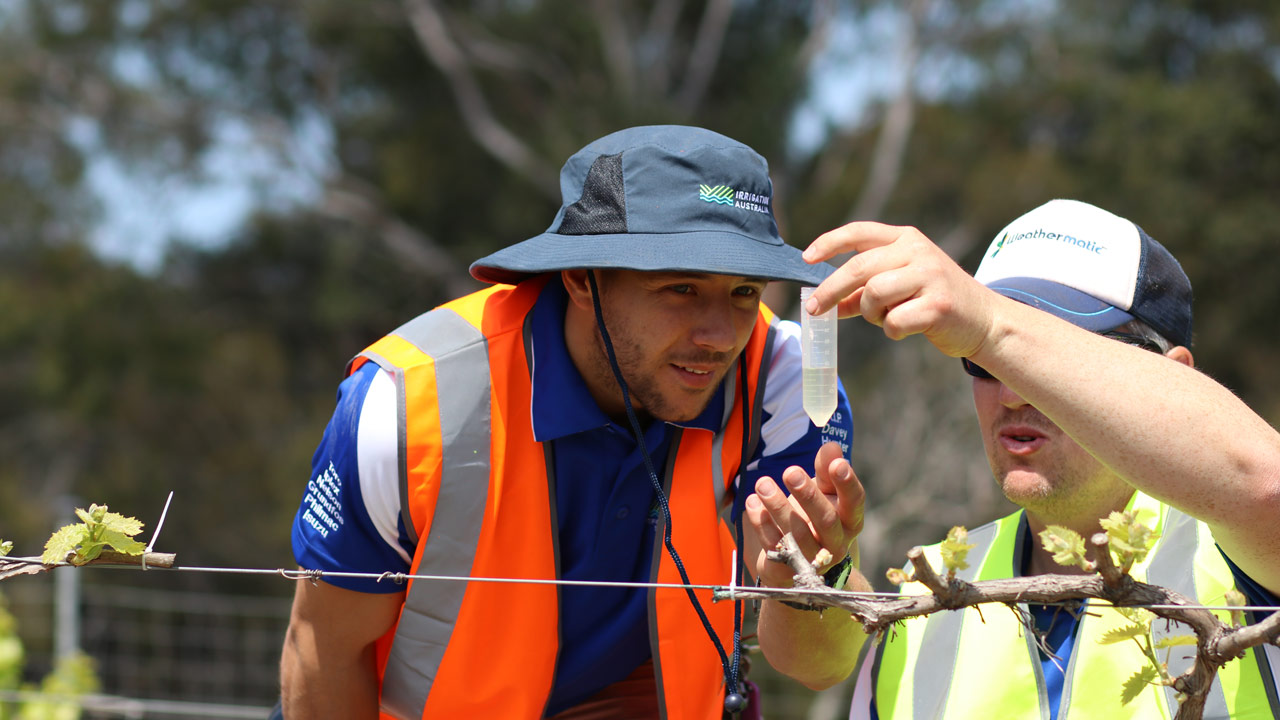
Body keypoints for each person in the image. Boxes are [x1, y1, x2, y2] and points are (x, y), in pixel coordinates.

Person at [278, 125, 870, 719]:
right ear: (581, 278)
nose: (720, 336)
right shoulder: (408, 403)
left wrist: (815, 579)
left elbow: (819, 667)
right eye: (681, 287)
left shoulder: (783, 380)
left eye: (744, 290)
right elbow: (323, 648)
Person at [779, 199, 1280, 718]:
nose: (1015, 393)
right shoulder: (927, 587)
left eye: (1058, 358)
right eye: (985, 360)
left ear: (1175, 374)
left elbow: (1268, 486)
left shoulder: (1239, 552)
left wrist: (992, 327)